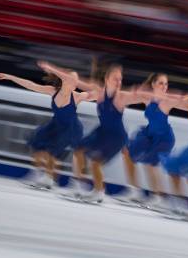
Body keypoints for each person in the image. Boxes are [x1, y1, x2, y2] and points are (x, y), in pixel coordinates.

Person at [41, 61, 141, 204]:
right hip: (103, 132)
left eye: (120, 79)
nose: (119, 82)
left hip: (115, 136)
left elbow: (141, 96)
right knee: (81, 151)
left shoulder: (122, 96)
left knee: (95, 162)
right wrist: (52, 69)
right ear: (107, 79)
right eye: (115, 78)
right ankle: (85, 187)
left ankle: (95, 191)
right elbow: (75, 81)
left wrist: (150, 95)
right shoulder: (99, 92)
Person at [0, 66, 93, 189]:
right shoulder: (53, 91)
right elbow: (30, 85)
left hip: (71, 127)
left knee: (53, 152)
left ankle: (53, 179)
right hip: (56, 124)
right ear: (64, 80)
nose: (76, 82)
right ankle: (38, 174)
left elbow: (97, 96)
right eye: (73, 79)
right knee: (36, 142)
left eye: (76, 80)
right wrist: (10, 77)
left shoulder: (78, 96)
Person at [115, 73, 176, 211]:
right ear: (153, 84)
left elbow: (182, 100)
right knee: (127, 152)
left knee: (151, 164)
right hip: (149, 134)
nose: (164, 86)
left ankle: (158, 197)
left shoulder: (166, 100)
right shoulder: (149, 98)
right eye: (161, 83)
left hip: (164, 137)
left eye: (166, 84)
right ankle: (133, 190)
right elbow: (131, 95)